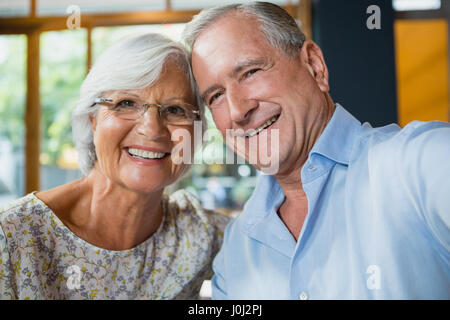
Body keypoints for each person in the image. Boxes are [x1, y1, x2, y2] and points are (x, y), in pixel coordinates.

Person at [181, 2, 450, 299]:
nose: (238, 110)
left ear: (314, 65)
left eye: (250, 72)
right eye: (216, 96)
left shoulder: (420, 163)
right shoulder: (235, 252)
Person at [0, 33, 229, 300]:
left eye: (176, 110)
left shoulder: (199, 235)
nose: (152, 129)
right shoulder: (13, 236)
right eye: (127, 104)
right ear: (93, 120)